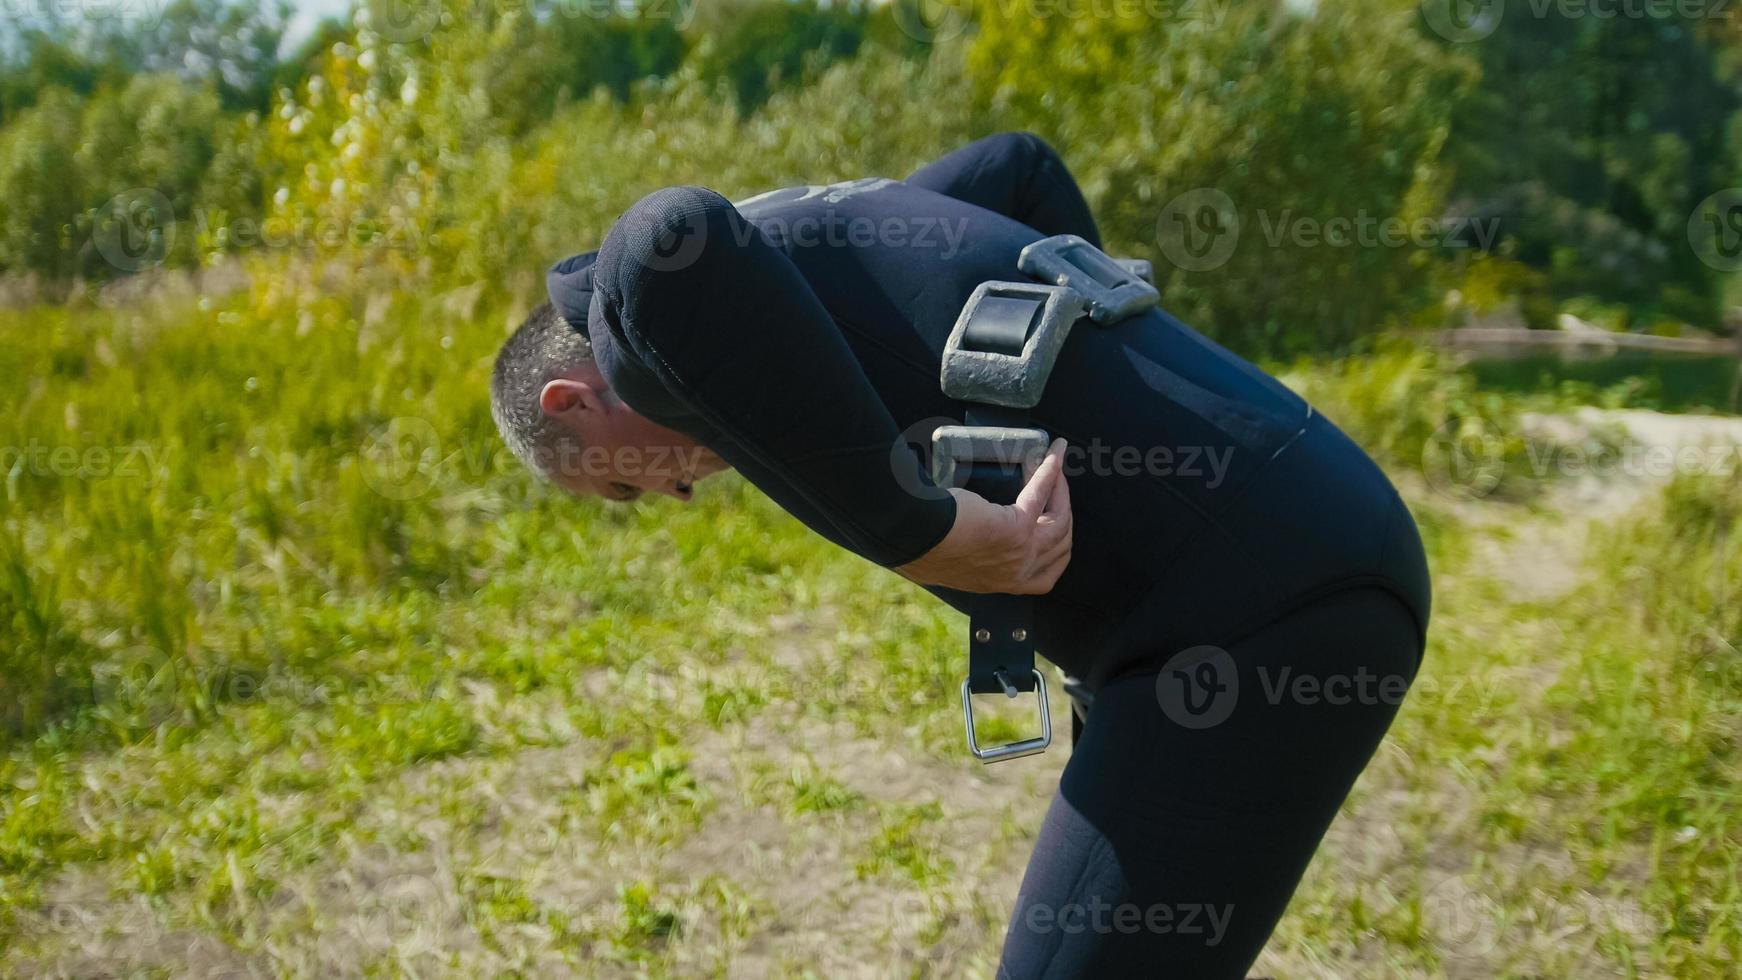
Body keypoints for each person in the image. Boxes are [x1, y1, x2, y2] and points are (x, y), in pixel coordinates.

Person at [490, 133, 1431, 978]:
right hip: (1291, 537)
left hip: (1257, 612)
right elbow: (1019, 169)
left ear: (574, 403)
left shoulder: (635, 315)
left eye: (622, 484)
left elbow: (665, 241)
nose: (676, 495)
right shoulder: (814, 238)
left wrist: (929, 536)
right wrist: (1103, 406)